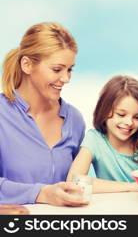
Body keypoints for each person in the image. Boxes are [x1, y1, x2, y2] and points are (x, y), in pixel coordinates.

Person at [0, 22, 87, 206]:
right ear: (27, 65)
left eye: (69, 69)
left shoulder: (74, 120)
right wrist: (41, 194)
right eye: (57, 69)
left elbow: (77, 180)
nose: (66, 79)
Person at [67, 75, 138, 192]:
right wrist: (133, 187)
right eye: (121, 114)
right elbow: (73, 182)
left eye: (137, 117)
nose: (129, 122)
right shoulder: (95, 139)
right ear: (104, 110)